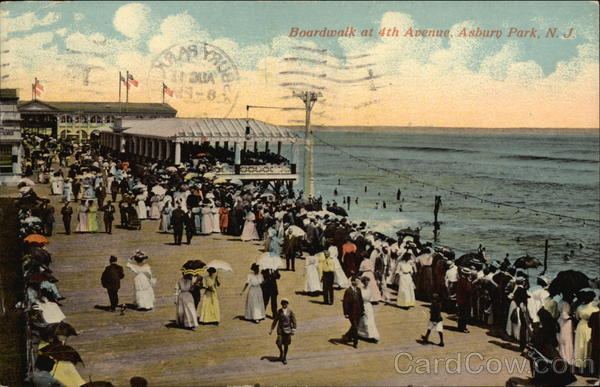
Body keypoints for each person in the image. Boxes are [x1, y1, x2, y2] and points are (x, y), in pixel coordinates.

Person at [269, 298, 296, 364]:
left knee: (286, 344)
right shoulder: (279, 311)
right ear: (281, 304)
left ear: (287, 304)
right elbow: (275, 321)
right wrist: (271, 329)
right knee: (278, 343)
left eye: (286, 303)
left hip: (288, 330)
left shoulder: (290, 312)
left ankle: (284, 358)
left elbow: (294, 321)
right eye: (283, 303)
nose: (284, 304)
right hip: (280, 330)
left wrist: (293, 329)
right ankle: (281, 351)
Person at [342, 276, 364, 348]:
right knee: (355, 327)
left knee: (355, 326)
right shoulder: (348, 291)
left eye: (358, 281)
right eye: (357, 281)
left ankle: (347, 336)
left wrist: (362, 310)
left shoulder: (358, 290)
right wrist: (346, 313)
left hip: (358, 311)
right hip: (351, 312)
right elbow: (345, 303)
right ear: (353, 282)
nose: (358, 283)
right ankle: (355, 342)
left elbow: (361, 301)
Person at [357, 276, 380, 342]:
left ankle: (372, 334)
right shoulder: (361, 290)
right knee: (364, 321)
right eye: (365, 282)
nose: (367, 283)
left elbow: (371, 298)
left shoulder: (369, 289)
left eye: (368, 282)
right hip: (363, 305)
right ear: (363, 282)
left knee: (370, 321)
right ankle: (362, 334)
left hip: (369, 307)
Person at [456, 268, 473, 333]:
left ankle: (460, 327)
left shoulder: (460, 280)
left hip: (461, 300)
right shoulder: (465, 281)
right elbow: (469, 290)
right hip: (465, 301)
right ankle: (463, 328)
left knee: (461, 315)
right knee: (464, 315)